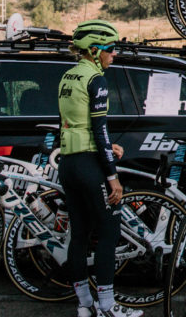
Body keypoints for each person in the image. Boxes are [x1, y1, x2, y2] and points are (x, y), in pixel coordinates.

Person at [57, 20, 140, 317]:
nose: (114, 54)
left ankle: (84, 304)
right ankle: (108, 306)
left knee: (79, 234)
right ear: (94, 50)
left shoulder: (68, 76)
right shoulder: (96, 79)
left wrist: (104, 146)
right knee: (108, 232)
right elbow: (99, 127)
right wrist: (112, 177)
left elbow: (74, 123)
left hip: (69, 162)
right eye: (110, 49)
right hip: (90, 165)